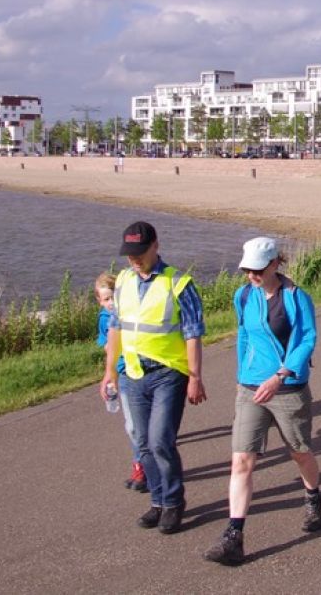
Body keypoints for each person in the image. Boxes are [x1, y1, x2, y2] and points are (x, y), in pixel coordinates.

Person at [203, 237, 321, 566]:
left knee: (299, 453)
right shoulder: (243, 295)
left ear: (274, 264)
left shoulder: (296, 298)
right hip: (251, 388)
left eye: (257, 270)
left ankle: (313, 496)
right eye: (247, 270)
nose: (251, 275)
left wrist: (280, 376)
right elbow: (243, 334)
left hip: (287, 387)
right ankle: (234, 534)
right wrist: (242, 375)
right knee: (242, 460)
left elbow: (308, 339)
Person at [101, 221, 207, 535]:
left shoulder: (178, 283)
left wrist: (195, 376)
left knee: (161, 441)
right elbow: (116, 327)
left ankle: (173, 502)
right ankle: (158, 501)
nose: (134, 259)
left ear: (155, 246)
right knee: (143, 443)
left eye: (139, 252)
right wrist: (109, 371)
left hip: (168, 374)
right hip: (132, 373)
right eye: (129, 253)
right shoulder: (123, 280)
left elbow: (193, 333)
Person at [96, 271, 144, 493]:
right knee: (132, 427)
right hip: (122, 373)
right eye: (105, 299)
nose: (110, 303)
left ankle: (150, 464)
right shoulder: (104, 319)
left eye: (112, 297)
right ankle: (140, 466)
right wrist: (111, 375)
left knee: (145, 426)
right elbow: (107, 346)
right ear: (99, 301)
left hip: (142, 370)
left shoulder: (132, 311)